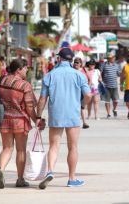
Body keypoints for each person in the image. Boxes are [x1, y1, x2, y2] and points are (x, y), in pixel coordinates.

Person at [36, 47, 91, 189]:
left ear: (59, 58)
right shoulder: (79, 75)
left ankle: (50, 171)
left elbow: (42, 98)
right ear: (71, 60)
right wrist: (82, 105)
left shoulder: (50, 75)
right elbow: (88, 95)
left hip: (56, 114)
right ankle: (72, 179)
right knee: (73, 147)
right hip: (73, 114)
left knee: (54, 146)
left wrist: (38, 116)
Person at [0, 59, 45, 189]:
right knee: (20, 150)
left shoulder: (2, 80)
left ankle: (1, 169)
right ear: (18, 70)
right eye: (25, 68)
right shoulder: (24, 85)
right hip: (20, 121)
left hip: (4, 119)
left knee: (6, 148)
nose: (27, 70)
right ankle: (20, 179)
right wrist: (37, 120)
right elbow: (29, 107)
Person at [101, 53, 121, 119]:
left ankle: (114, 109)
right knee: (107, 101)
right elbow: (101, 73)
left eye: (111, 58)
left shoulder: (117, 65)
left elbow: (119, 74)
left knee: (116, 100)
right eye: (109, 58)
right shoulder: (104, 65)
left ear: (114, 58)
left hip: (114, 85)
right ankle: (108, 113)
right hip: (106, 86)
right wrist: (101, 81)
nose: (110, 59)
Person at [73, 57, 90, 129]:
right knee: (75, 107)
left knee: (82, 107)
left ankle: (84, 122)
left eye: (77, 62)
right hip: (73, 92)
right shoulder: (71, 71)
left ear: (80, 64)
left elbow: (89, 79)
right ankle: (77, 122)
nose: (75, 63)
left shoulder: (83, 70)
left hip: (82, 92)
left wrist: (86, 88)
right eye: (75, 62)